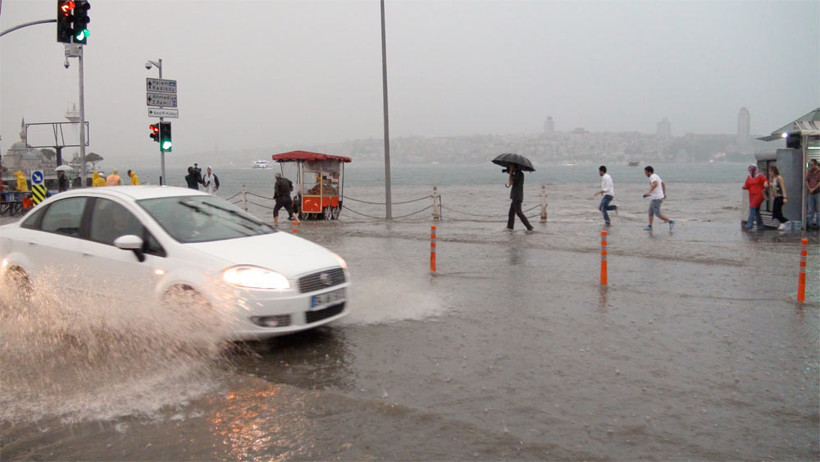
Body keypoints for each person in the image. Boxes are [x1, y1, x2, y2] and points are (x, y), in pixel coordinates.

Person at [642, 165, 674, 231]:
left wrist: (649, 192)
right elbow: (662, 183)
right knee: (650, 211)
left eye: (645, 172)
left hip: (657, 198)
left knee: (657, 214)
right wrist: (664, 193)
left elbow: (656, 184)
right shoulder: (656, 176)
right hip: (656, 197)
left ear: (649, 172)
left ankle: (670, 221)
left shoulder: (652, 177)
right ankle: (650, 226)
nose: (645, 174)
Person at [505, 164, 534, 232]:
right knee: (511, 213)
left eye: (512, 167)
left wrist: (511, 173)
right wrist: (511, 172)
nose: (511, 168)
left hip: (516, 196)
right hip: (517, 196)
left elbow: (510, 183)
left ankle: (529, 227)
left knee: (519, 212)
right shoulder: (519, 174)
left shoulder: (518, 174)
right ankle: (510, 228)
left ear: (514, 167)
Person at [742, 164, 768, 230]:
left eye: (752, 171)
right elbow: (747, 185)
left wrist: (765, 183)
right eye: (750, 171)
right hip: (752, 195)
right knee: (756, 210)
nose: (751, 172)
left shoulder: (760, 176)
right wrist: (744, 187)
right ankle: (760, 225)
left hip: (759, 194)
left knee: (752, 208)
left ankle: (749, 225)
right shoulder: (749, 177)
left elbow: (765, 181)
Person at [768, 166, 789, 230]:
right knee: (775, 211)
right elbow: (771, 187)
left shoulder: (779, 178)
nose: (770, 173)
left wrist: (785, 197)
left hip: (780, 196)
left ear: (774, 171)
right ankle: (783, 222)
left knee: (778, 209)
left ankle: (783, 222)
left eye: (771, 171)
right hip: (776, 196)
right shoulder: (772, 179)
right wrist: (772, 195)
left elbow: (782, 187)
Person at [805, 159, 820, 228]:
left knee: (819, 209)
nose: (811, 166)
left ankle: (818, 224)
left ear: (816, 164)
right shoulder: (809, 172)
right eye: (810, 165)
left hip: (818, 192)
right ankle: (810, 224)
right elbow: (806, 181)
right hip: (810, 193)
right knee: (810, 209)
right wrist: (809, 188)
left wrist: (814, 188)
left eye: (812, 165)